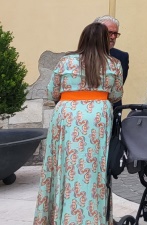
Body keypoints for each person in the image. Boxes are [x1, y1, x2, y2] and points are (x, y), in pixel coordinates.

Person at [34, 22, 124, 225]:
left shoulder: (65, 62)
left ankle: (61, 216)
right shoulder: (113, 64)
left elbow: (52, 92)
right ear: (104, 41)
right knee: (94, 169)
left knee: (62, 166)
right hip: (97, 119)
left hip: (67, 116)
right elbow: (116, 95)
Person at [95, 15, 128, 109]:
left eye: (115, 34)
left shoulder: (121, 57)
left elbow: (118, 87)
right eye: (109, 33)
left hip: (111, 108)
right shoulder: (79, 57)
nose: (113, 37)